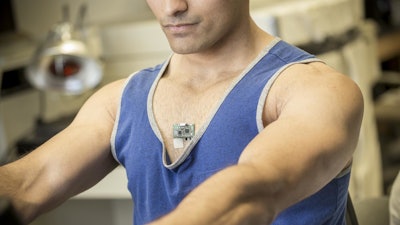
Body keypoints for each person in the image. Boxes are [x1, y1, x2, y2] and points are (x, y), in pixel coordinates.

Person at [0, 0, 363, 224]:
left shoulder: (316, 90)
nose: (172, 6)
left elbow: (253, 192)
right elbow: (29, 182)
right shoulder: (119, 101)